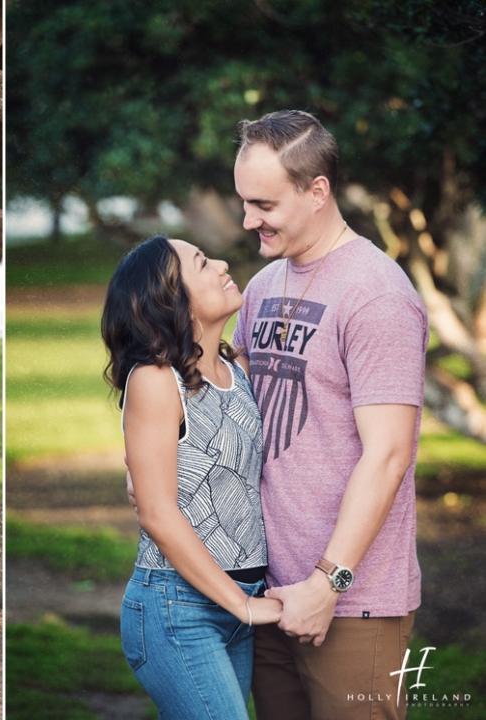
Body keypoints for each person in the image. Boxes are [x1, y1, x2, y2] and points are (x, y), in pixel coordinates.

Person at [231, 110, 428, 719]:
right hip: (268, 593)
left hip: (354, 600)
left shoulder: (378, 295)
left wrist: (327, 584)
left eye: (263, 204)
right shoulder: (263, 286)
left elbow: (389, 453)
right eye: (243, 202)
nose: (248, 220)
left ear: (317, 192)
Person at [102, 235, 283, 719]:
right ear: (172, 300)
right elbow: (158, 513)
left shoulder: (236, 368)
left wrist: (246, 605)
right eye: (203, 264)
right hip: (177, 609)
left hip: (240, 601)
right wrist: (241, 606)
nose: (222, 264)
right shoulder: (155, 381)